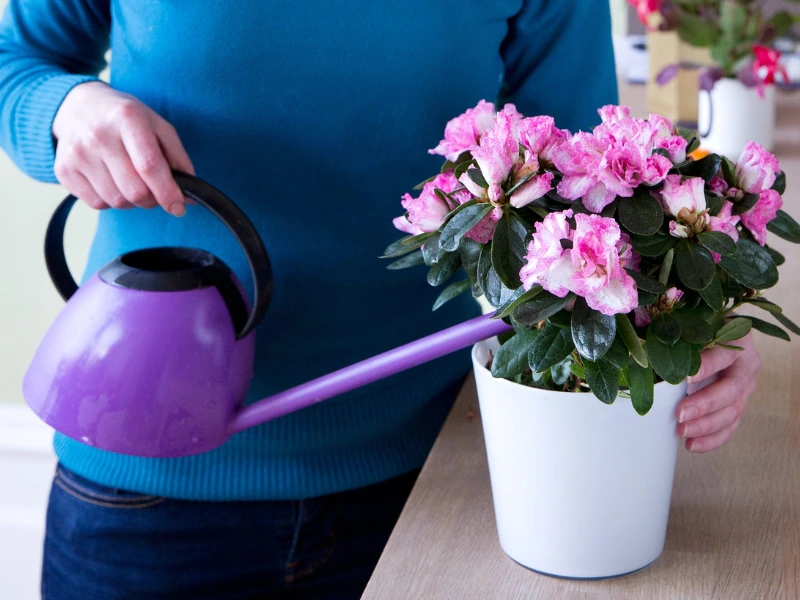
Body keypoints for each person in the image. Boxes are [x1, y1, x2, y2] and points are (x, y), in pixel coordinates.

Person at [0, 1, 760, 598]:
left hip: (439, 479)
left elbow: (590, 183)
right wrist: (66, 110)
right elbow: (16, 62)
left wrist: (698, 318)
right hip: (145, 490)